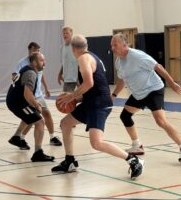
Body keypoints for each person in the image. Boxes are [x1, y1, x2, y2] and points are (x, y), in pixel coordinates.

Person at [51, 35, 144, 180]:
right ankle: (70, 162)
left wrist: (71, 97)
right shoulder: (91, 56)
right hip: (92, 101)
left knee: (96, 143)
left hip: (99, 104)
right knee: (65, 124)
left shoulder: (83, 59)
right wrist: (77, 98)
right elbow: (93, 87)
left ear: (73, 49)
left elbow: (89, 83)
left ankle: (133, 160)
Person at [110, 33, 181, 162]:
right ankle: (137, 146)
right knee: (125, 116)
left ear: (124, 45)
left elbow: (158, 67)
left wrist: (171, 83)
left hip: (153, 89)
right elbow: (122, 79)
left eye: (115, 45)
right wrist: (114, 95)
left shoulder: (137, 56)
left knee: (160, 121)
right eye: (111, 45)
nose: (112, 48)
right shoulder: (118, 62)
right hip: (138, 94)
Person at [8, 42, 62, 150]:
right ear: (30, 51)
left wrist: (46, 88)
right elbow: (17, 79)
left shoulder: (36, 66)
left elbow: (41, 76)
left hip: (35, 94)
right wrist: (35, 103)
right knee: (36, 119)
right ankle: (26, 142)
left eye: (38, 50)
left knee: (41, 116)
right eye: (35, 50)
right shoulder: (26, 67)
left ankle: (51, 137)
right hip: (24, 97)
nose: (37, 52)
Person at [6, 52, 55, 162]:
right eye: (42, 61)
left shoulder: (27, 69)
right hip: (18, 102)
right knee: (40, 121)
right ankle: (38, 153)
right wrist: (36, 104)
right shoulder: (31, 73)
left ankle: (16, 137)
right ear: (34, 62)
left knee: (33, 116)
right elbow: (27, 94)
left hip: (15, 100)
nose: (45, 63)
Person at [58, 27, 78, 92]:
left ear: (71, 33)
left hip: (78, 78)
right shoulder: (63, 48)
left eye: (67, 33)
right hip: (68, 79)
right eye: (63, 33)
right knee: (66, 99)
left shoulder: (76, 46)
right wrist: (60, 74)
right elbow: (64, 63)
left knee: (86, 97)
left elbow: (82, 61)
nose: (65, 35)